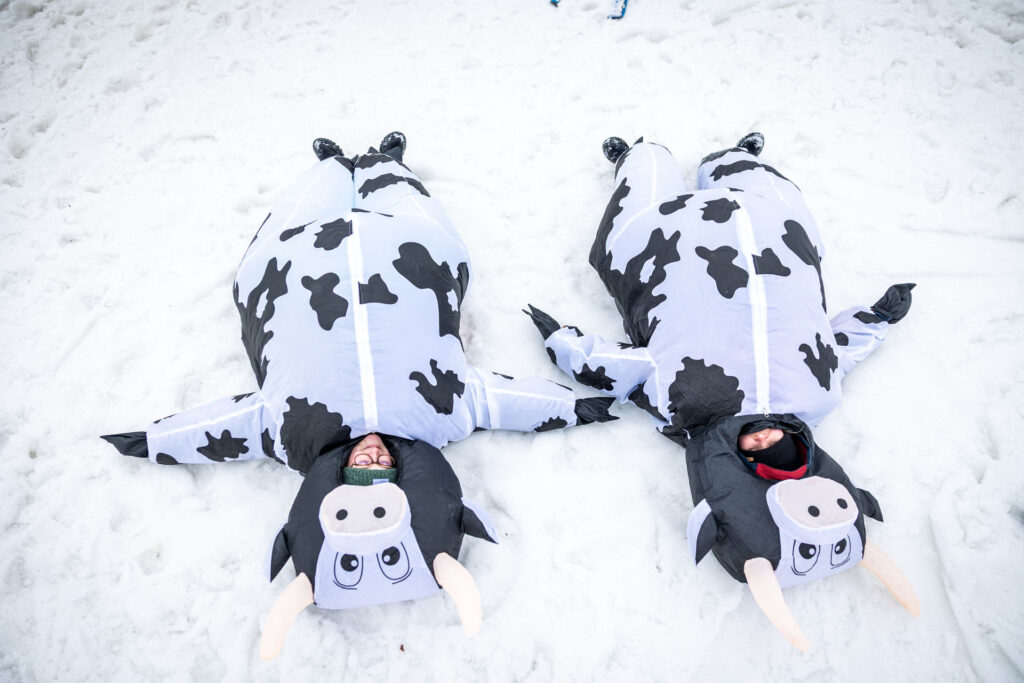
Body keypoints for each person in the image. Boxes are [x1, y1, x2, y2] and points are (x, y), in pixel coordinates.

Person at [102, 132, 615, 659]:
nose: (373, 457)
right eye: (384, 470)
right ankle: (382, 162)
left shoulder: (289, 434)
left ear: (336, 480)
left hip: (289, 256)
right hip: (411, 247)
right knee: (402, 193)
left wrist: (155, 441)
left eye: (360, 470)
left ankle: (330, 168)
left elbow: (218, 431)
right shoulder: (444, 416)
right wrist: (576, 408)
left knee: (310, 192)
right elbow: (507, 401)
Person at [524, 133, 919, 650]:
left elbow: (612, 367)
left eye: (757, 451)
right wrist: (878, 318)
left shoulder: (681, 404)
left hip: (661, 238)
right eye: (781, 446)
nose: (766, 437)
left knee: (643, 184)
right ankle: (735, 159)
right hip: (771, 228)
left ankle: (639, 157)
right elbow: (839, 345)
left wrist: (562, 343)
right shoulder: (816, 394)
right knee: (763, 185)